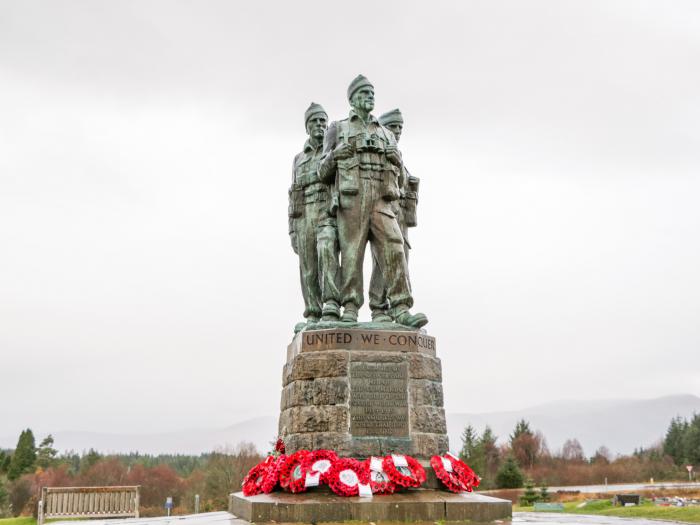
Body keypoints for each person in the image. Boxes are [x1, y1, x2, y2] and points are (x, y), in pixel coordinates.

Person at [318, 75, 427, 328]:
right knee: (352, 254)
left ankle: (400, 307)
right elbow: (321, 173)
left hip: (381, 198)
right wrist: (335, 156)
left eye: (372, 93)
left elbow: (401, 179)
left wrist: (397, 160)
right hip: (352, 197)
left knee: (394, 245)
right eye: (365, 93)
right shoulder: (338, 128)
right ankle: (350, 309)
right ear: (353, 98)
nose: (370, 97)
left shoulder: (386, 133)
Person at [288, 103, 340, 332]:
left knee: (327, 251)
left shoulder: (333, 150)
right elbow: (293, 194)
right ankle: (313, 313)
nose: (320, 125)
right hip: (304, 216)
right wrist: (292, 229)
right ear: (307, 126)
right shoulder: (299, 158)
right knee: (308, 266)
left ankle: (331, 305)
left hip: (326, 211)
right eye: (315, 121)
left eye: (323, 121)